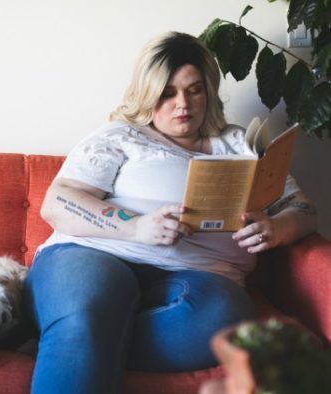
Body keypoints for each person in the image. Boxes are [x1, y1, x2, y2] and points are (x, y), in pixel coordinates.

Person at [24, 31, 318, 394]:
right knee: (90, 303)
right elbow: (57, 202)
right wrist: (137, 227)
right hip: (95, 255)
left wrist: (276, 227)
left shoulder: (241, 144)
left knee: (220, 317)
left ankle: (69, 334)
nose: (183, 104)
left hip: (202, 278)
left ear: (208, 92)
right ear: (148, 94)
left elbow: (303, 209)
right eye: (167, 92)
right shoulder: (121, 136)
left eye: (194, 90)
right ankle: (76, 327)